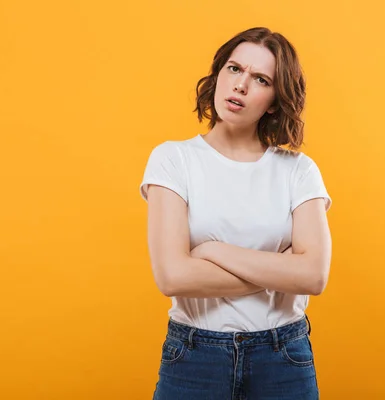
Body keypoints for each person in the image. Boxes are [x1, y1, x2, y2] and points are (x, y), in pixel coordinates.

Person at [139, 26, 333, 400]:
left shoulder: (298, 170)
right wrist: (281, 270)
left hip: (283, 357)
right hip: (195, 356)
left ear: (275, 100)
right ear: (217, 75)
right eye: (234, 69)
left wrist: (212, 251)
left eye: (260, 79)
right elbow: (173, 276)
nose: (241, 85)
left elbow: (313, 275)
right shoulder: (172, 159)